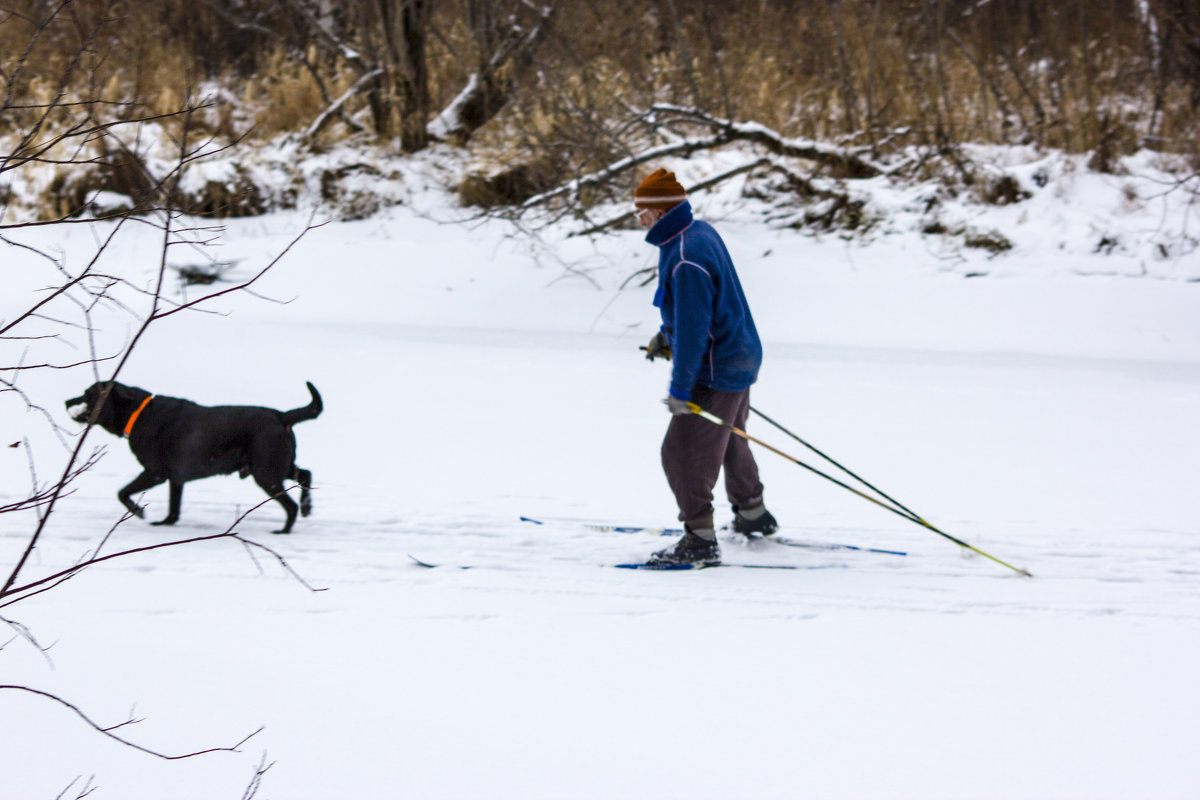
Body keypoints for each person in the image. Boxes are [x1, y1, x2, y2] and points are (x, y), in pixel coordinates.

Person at [635, 167, 778, 566]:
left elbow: (697, 331)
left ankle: (699, 540)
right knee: (729, 437)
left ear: (660, 212)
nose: (639, 220)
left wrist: (681, 391)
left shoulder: (684, 256)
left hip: (716, 368)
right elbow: (698, 312)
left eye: (641, 212)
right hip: (740, 353)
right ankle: (753, 514)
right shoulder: (697, 232)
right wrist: (669, 336)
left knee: (681, 452)